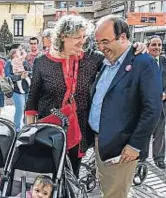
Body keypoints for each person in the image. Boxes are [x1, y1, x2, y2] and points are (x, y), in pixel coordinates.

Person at [25, 15, 147, 179]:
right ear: (62, 36)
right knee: (48, 176)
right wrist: (30, 132)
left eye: (83, 37)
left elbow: (118, 55)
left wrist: (134, 47)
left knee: (72, 176)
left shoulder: (92, 58)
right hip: (50, 130)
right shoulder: (42, 61)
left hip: (79, 130)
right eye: (77, 37)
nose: (82, 42)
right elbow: (32, 99)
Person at [79, 15, 162, 198]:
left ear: (123, 37)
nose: (102, 47)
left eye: (105, 41)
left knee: (114, 193)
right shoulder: (107, 61)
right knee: (111, 188)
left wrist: (136, 145)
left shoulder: (143, 62)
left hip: (124, 144)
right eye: (98, 43)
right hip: (102, 138)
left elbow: (152, 109)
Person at [146, 35, 166, 169]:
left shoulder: (164, 60)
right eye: (154, 45)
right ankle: (141, 158)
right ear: (148, 46)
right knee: (144, 132)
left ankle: (159, 158)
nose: (157, 48)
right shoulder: (142, 60)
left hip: (161, 105)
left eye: (159, 45)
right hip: (145, 106)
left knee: (160, 132)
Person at [5, 44, 32, 132]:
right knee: (20, 109)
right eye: (16, 53)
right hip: (16, 90)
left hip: (27, 88)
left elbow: (30, 71)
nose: (18, 54)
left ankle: (26, 127)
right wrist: (19, 77)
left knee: (27, 110)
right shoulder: (9, 63)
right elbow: (7, 76)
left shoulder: (23, 61)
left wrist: (27, 73)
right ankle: (16, 128)